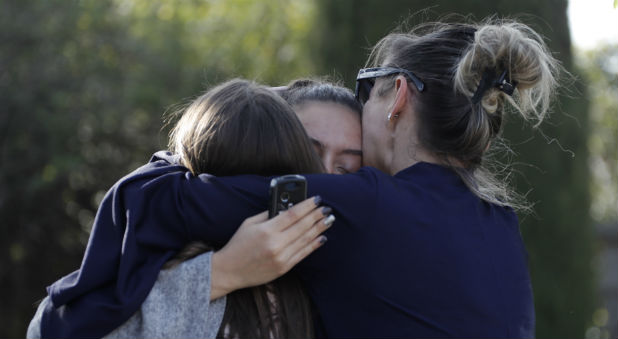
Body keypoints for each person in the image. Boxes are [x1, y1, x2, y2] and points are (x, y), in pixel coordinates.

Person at [40, 18, 561, 338]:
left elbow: (165, 201)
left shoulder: (368, 209)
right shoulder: (501, 227)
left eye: (368, 89)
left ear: (397, 96)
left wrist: (222, 122)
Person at [29, 79, 335, 338]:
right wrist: (221, 274)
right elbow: (49, 329)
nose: (331, 176)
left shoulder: (320, 275)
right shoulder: (153, 266)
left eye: (347, 168)